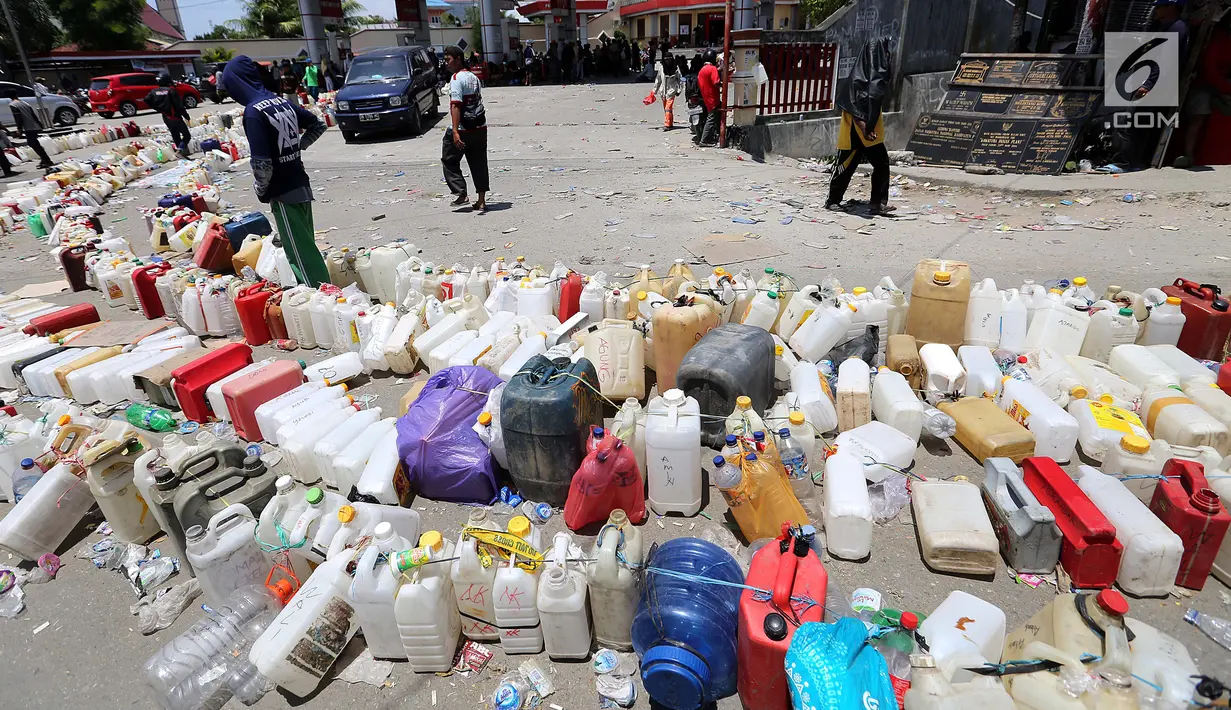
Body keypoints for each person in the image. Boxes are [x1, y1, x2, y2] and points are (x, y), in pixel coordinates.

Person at [222, 55, 329, 287]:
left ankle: (321, 295)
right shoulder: (280, 101)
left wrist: (261, 189)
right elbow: (318, 124)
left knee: (299, 255)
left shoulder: (253, 112)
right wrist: (298, 147)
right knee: (306, 244)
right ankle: (319, 293)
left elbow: (262, 163)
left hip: (283, 190)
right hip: (300, 182)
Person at [827, 37, 893, 215]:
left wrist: (869, 128)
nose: (887, 56)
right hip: (854, 132)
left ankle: (878, 203)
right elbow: (852, 107)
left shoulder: (875, 79)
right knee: (844, 166)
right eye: (884, 53)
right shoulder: (856, 78)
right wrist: (864, 127)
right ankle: (832, 201)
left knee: (882, 164)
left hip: (870, 132)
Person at [440, 45, 490, 212]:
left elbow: (456, 106)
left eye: (449, 60)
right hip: (480, 127)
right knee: (479, 162)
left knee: (449, 159)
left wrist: (455, 131)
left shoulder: (456, 79)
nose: (447, 63)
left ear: (458, 59)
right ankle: (481, 201)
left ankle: (461, 192)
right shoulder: (473, 77)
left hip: (464, 129)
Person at [1176, 18, 1231, 167]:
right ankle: (1189, 155)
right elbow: (1209, 70)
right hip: (1204, 84)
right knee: (1197, 118)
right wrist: (1225, 89)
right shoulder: (1218, 40)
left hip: (1222, 84)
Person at [144, 74, 193, 158]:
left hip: (166, 117)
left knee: (175, 134)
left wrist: (157, 108)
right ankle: (180, 150)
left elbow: (146, 99)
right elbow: (179, 106)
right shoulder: (171, 91)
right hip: (175, 117)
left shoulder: (154, 91)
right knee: (187, 135)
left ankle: (180, 153)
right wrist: (186, 116)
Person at [9, 96, 54, 170]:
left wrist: (19, 129)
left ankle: (47, 160)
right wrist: (39, 124)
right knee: (35, 144)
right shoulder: (25, 103)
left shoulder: (13, 105)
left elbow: (18, 117)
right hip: (34, 125)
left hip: (28, 127)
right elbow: (33, 114)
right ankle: (45, 160)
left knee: (33, 144)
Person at [694, 50, 720, 145]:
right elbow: (716, 83)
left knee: (713, 117)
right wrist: (722, 85)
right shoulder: (712, 69)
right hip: (713, 98)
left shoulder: (702, 70)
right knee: (711, 118)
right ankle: (703, 140)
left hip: (706, 98)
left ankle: (713, 135)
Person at [653, 53, 684, 130]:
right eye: (667, 60)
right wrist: (654, 91)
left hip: (672, 90)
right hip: (663, 91)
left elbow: (680, 80)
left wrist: (679, 90)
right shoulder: (661, 68)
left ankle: (667, 125)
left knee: (668, 107)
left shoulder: (676, 68)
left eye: (670, 59)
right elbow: (658, 80)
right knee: (667, 109)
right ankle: (670, 122)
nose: (668, 61)